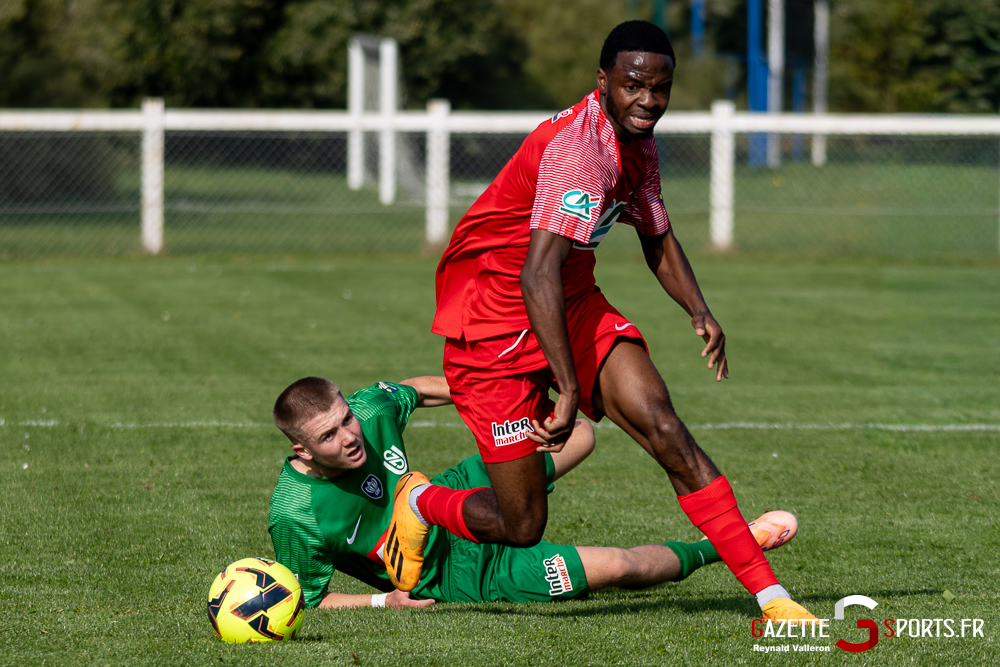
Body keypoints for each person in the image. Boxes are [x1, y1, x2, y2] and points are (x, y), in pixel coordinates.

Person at [385, 20, 815, 622]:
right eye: (634, 85)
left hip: (572, 298)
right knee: (523, 525)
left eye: (660, 88)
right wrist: (566, 387)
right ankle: (424, 502)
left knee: (667, 429)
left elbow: (655, 232)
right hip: (492, 323)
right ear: (603, 81)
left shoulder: (637, 140)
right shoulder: (578, 150)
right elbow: (535, 274)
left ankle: (774, 601)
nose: (648, 101)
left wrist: (700, 311)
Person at [268, 375, 798, 609]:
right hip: (460, 575)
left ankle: (424, 504)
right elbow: (308, 602)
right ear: (302, 451)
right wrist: (387, 601)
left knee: (576, 432)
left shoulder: (370, 409)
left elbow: (421, 389)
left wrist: (490, 397)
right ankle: (727, 545)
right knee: (619, 566)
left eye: (345, 420)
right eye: (329, 437)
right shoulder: (295, 515)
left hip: (457, 490)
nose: (350, 436)